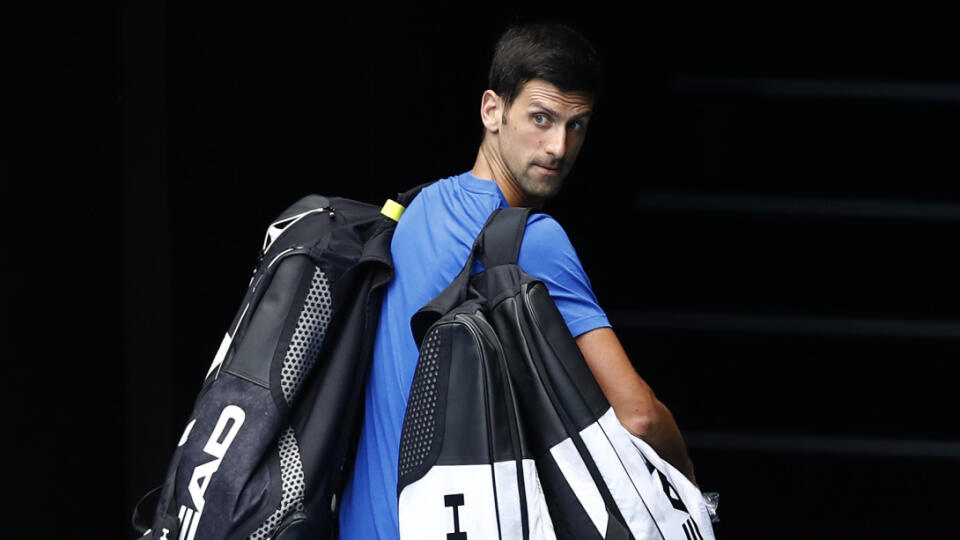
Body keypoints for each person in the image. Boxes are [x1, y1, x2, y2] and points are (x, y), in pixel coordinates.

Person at [338, 21, 696, 540]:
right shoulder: (536, 240)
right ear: (492, 111)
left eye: (577, 125)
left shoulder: (414, 209)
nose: (558, 146)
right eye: (541, 119)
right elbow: (637, 416)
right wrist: (688, 481)